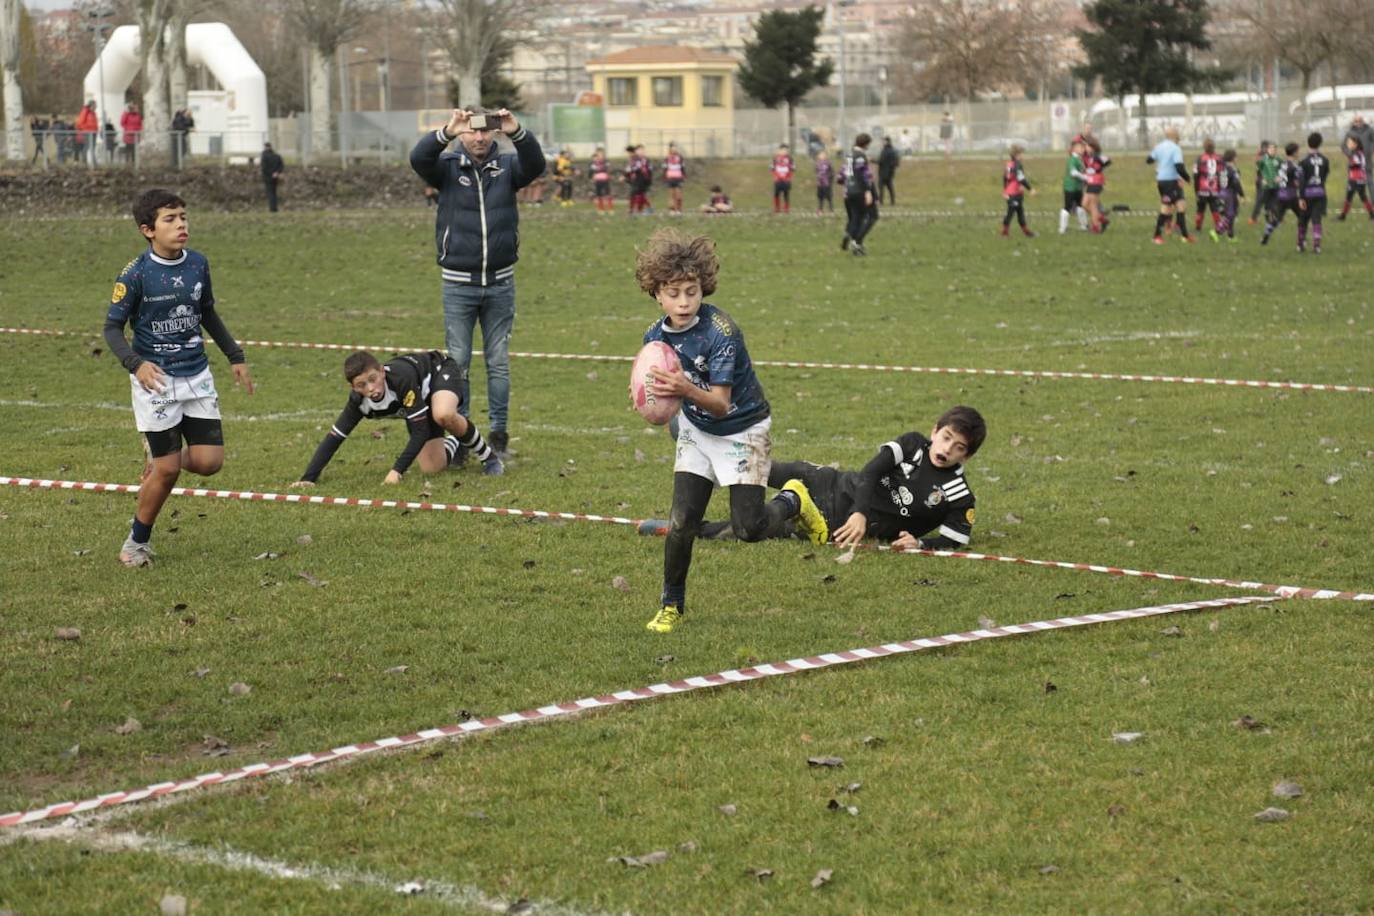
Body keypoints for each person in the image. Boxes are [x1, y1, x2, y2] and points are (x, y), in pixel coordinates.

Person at [635, 229, 788, 633]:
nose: (683, 302)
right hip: (697, 431)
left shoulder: (721, 332)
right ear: (656, 293)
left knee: (748, 529)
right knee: (682, 520)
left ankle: (792, 502)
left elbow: (720, 403)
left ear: (704, 287)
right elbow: (654, 389)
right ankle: (671, 604)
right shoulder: (655, 336)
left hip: (741, 429)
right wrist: (653, 403)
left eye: (691, 291)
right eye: (673, 293)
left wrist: (683, 389)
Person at [103, 188, 254, 567]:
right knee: (169, 472)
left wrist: (235, 356)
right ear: (147, 230)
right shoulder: (135, 274)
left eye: (183, 217)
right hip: (156, 379)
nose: (181, 224)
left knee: (208, 463)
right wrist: (136, 364)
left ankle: (158, 461)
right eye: (170, 219)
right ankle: (135, 543)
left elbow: (207, 313)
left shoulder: (198, 264)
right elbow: (111, 329)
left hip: (197, 374)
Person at [409, 106, 545, 461]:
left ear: (494, 133)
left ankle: (498, 434)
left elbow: (536, 165)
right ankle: (462, 435)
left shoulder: (509, 168)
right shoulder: (447, 168)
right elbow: (418, 157)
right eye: (472, 131)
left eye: (486, 131)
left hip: (500, 283)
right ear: (463, 133)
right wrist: (446, 131)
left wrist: (517, 130)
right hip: (458, 285)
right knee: (459, 363)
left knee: (498, 362)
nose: (480, 137)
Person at [662, 406, 987, 551]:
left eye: (958, 447)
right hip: (826, 481)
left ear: (967, 456)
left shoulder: (958, 495)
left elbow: (955, 540)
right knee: (756, 466)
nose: (947, 449)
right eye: (945, 438)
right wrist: (861, 511)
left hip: (831, 522)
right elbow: (872, 470)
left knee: (749, 528)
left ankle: (676, 526)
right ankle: (708, 448)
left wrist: (921, 543)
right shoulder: (914, 443)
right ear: (935, 431)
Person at [292, 350, 502, 488]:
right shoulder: (358, 401)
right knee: (432, 468)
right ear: (353, 387)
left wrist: (396, 472)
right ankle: (457, 440)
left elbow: (420, 432)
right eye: (361, 385)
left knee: (443, 414)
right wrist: (308, 478)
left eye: (373, 380)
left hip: (438, 371)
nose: (371, 389)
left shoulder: (401, 381)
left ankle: (489, 457)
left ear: (382, 372)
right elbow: (334, 437)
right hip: (418, 402)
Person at [1147, 126, 1192, 244]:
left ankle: (1185, 236)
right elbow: (1179, 166)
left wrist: (1160, 160)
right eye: (1178, 134)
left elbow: (1149, 160)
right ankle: (1156, 236)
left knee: (1181, 205)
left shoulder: (1159, 146)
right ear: (1174, 135)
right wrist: (1187, 178)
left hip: (1163, 180)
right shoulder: (1175, 148)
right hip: (1170, 181)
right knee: (1166, 208)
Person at [1260, 142, 1304, 247]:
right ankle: (1301, 242)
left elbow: (1277, 178)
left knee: (1276, 219)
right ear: (1294, 153)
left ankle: (1265, 236)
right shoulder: (1295, 166)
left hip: (1281, 195)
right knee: (1303, 217)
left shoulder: (1282, 164)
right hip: (1292, 196)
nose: (1298, 153)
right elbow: (1298, 182)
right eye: (1297, 151)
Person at [841, 133, 877, 255]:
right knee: (873, 216)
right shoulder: (860, 156)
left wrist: (846, 187)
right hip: (860, 190)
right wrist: (868, 191)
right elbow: (864, 174)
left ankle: (851, 237)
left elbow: (846, 174)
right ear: (866, 144)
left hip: (850, 190)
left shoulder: (850, 155)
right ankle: (857, 242)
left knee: (857, 217)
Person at [1296, 131, 1330, 254]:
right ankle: (1316, 245)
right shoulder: (1325, 160)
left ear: (1308, 143)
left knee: (1303, 220)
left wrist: (1301, 197)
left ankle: (1300, 244)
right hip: (1320, 193)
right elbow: (1325, 175)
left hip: (1308, 194)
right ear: (1320, 144)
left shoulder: (1303, 161)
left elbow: (1301, 180)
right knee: (1317, 219)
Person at [1000, 145, 1035, 238]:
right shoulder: (1017, 164)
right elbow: (1020, 178)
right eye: (1021, 154)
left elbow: (1004, 178)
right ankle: (1004, 232)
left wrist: (1005, 190)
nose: (1023, 155)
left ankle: (1026, 231)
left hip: (1012, 192)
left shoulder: (1009, 164)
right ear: (1016, 155)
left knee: (1020, 212)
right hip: (1014, 193)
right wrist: (1030, 188)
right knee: (1011, 212)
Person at [1193, 138, 1224, 238]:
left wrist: (1196, 190)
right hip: (1215, 189)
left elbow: (1195, 175)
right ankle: (1218, 228)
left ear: (1204, 147)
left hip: (1202, 189)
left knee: (1200, 209)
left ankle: (1198, 228)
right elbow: (1223, 174)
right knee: (1215, 209)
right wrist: (1222, 188)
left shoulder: (1199, 158)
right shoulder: (1219, 158)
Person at [1337, 135, 1373, 221]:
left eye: (1350, 142)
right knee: (1362, 197)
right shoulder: (1359, 152)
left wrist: (1351, 165)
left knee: (1350, 197)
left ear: (1355, 144)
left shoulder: (1356, 153)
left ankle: (1342, 216)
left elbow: (1358, 164)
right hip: (1360, 178)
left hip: (1355, 179)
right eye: (1348, 142)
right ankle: (1372, 214)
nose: (1348, 144)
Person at [1060, 139, 1089, 234]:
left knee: (1081, 206)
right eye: (1081, 147)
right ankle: (1062, 228)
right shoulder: (1072, 159)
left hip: (1078, 187)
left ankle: (1084, 226)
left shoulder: (1079, 159)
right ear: (1074, 149)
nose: (1083, 149)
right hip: (1070, 187)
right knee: (1067, 207)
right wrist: (1085, 177)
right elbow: (1073, 173)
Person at [1344, 114, 1374, 203]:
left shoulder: (1370, 130)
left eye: (1360, 121)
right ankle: (1347, 203)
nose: (1358, 123)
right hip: (1354, 164)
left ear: (1363, 121)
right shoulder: (1350, 132)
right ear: (1353, 122)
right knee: (1351, 183)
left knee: (1370, 182)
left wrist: (1369, 150)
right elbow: (1343, 145)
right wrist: (1350, 153)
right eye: (1356, 121)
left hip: (1367, 162)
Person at [1082, 139, 1111, 232]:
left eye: (1089, 146)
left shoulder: (1097, 156)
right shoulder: (1086, 157)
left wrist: (1099, 168)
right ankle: (1102, 219)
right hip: (1090, 182)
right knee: (1084, 204)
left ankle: (1096, 227)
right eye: (1086, 146)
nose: (1087, 148)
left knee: (1093, 205)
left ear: (1094, 148)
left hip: (1097, 182)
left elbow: (1107, 161)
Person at [1249, 141, 1280, 225]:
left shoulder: (1264, 156)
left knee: (1269, 201)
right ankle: (1253, 218)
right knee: (1260, 200)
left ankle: (1273, 218)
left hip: (1266, 181)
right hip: (1263, 181)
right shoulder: (1263, 157)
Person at [1217, 149, 1244, 241]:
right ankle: (1217, 231)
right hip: (1230, 194)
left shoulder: (1222, 168)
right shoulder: (1234, 170)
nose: (1237, 159)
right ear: (1232, 158)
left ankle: (1230, 235)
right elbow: (1236, 183)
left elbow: (1218, 181)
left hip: (1222, 192)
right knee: (1230, 215)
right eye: (1236, 157)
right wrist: (1242, 195)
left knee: (1230, 215)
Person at [624, 144, 653, 214]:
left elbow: (649, 169)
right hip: (637, 178)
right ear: (636, 151)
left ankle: (640, 209)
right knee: (635, 193)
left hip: (644, 179)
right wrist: (626, 176)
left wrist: (649, 178)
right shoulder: (634, 159)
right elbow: (630, 169)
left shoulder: (645, 160)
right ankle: (635, 209)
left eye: (642, 150)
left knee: (640, 194)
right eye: (639, 150)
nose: (641, 152)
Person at [662, 142, 687, 214]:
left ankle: (679, 209)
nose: (674, 149)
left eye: (675, 148)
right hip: (670, 178)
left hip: (678, 178)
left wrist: (683, 177)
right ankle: (672, 210)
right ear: (670, 149)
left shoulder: (680, 157)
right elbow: (664, 168)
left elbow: (683, 168)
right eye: (673, 148)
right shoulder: (667, 158)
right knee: (671, 195)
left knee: (679, 196)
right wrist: (664, 177)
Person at [771, 143, 795, 213]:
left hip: (786, 180)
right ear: (779, 151)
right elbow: (772, 168)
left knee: (786, 194)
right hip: (778, 180)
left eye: (786, 150)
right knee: (776, 194)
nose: (784, 152)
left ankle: (786, 208)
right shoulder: (775, 158)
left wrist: (789, 177)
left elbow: (792, 169)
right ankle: (777, 208)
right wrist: (775, 176)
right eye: (782, 150)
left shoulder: (790, 159)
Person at [260, 141, 284, 212]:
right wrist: (277, 172)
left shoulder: (264, 156)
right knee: (274, 192)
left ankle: (272, 208)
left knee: (270, 193)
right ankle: (275, 208)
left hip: (267, 177)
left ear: (265, 147)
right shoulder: (276, 156)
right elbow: (281, 166)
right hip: (275, 177)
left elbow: (264, 168)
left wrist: (270, 174)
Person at [589, 146, 614, 214]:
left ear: (603, 154)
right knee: (599, 195)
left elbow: (609, 169)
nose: (600, 155)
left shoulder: (606, 161)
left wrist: (610, 175)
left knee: (608, 194)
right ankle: (601, 209)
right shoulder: (594, 163)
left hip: (605, 180)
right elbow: (591, 171)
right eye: (599, 154)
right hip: (598, 180)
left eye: (601, 154)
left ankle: (610, 209)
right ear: (596, 154)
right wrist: (592, 177)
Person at [877, 136, 899, 206]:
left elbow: (881, 161)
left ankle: (880, 202)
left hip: (883, 172)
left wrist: (872, 160)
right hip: (890, 172)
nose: (882, 143)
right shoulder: (894, 150)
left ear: (887, 142)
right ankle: (892, 202)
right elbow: (896, 163)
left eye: (883, 141)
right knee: (890, 188)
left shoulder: (885, 151)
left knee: (881, 187)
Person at [75, 101, 98, 166]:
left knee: (93, 148)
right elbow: (80, 123)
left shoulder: (93, 113)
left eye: (96, 105)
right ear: (91, 105)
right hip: (88, 132)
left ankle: (94, 162)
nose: (96, 107)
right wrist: (87, 129)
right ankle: (84, 161)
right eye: (94, 105)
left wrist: (95, 130)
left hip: (94, 132)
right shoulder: (85, 112)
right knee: (87, 147)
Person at [814, 148, 835, 213]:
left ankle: (831, 209)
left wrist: (830, 179)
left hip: (827, 183)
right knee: (820, 197)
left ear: (826, 156)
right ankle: (820, 209)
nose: (822, 156)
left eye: (823, 155)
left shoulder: (828, 163)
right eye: (820, 155)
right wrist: (818, 179)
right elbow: (816, 171)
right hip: (820, 183)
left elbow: (832, 172)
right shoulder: (817, 163)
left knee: (829, 197)